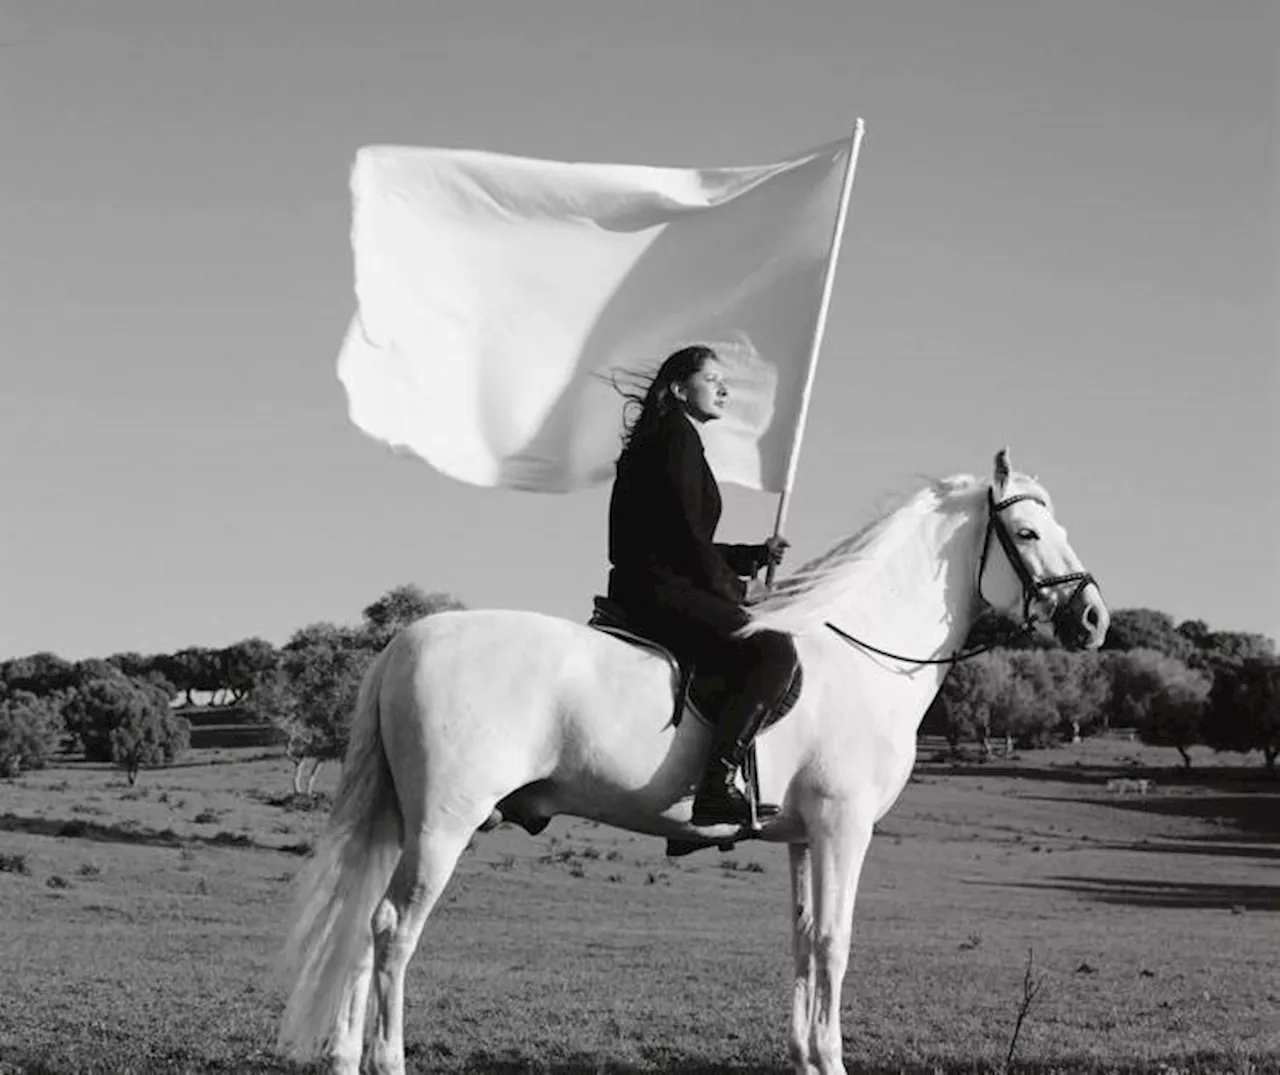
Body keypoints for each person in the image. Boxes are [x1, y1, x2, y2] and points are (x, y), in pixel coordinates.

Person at [606, 344, 798, 826]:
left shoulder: (669, 437)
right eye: (712, 379)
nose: (724, 389)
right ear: (677, 388)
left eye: (721, 381)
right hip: (660, 591)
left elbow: (679, 535)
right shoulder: (676, 440)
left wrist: (751, 557)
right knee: (773, 652)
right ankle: (717, 783)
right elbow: (687, 541)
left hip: (656, 581)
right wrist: (737, 592)